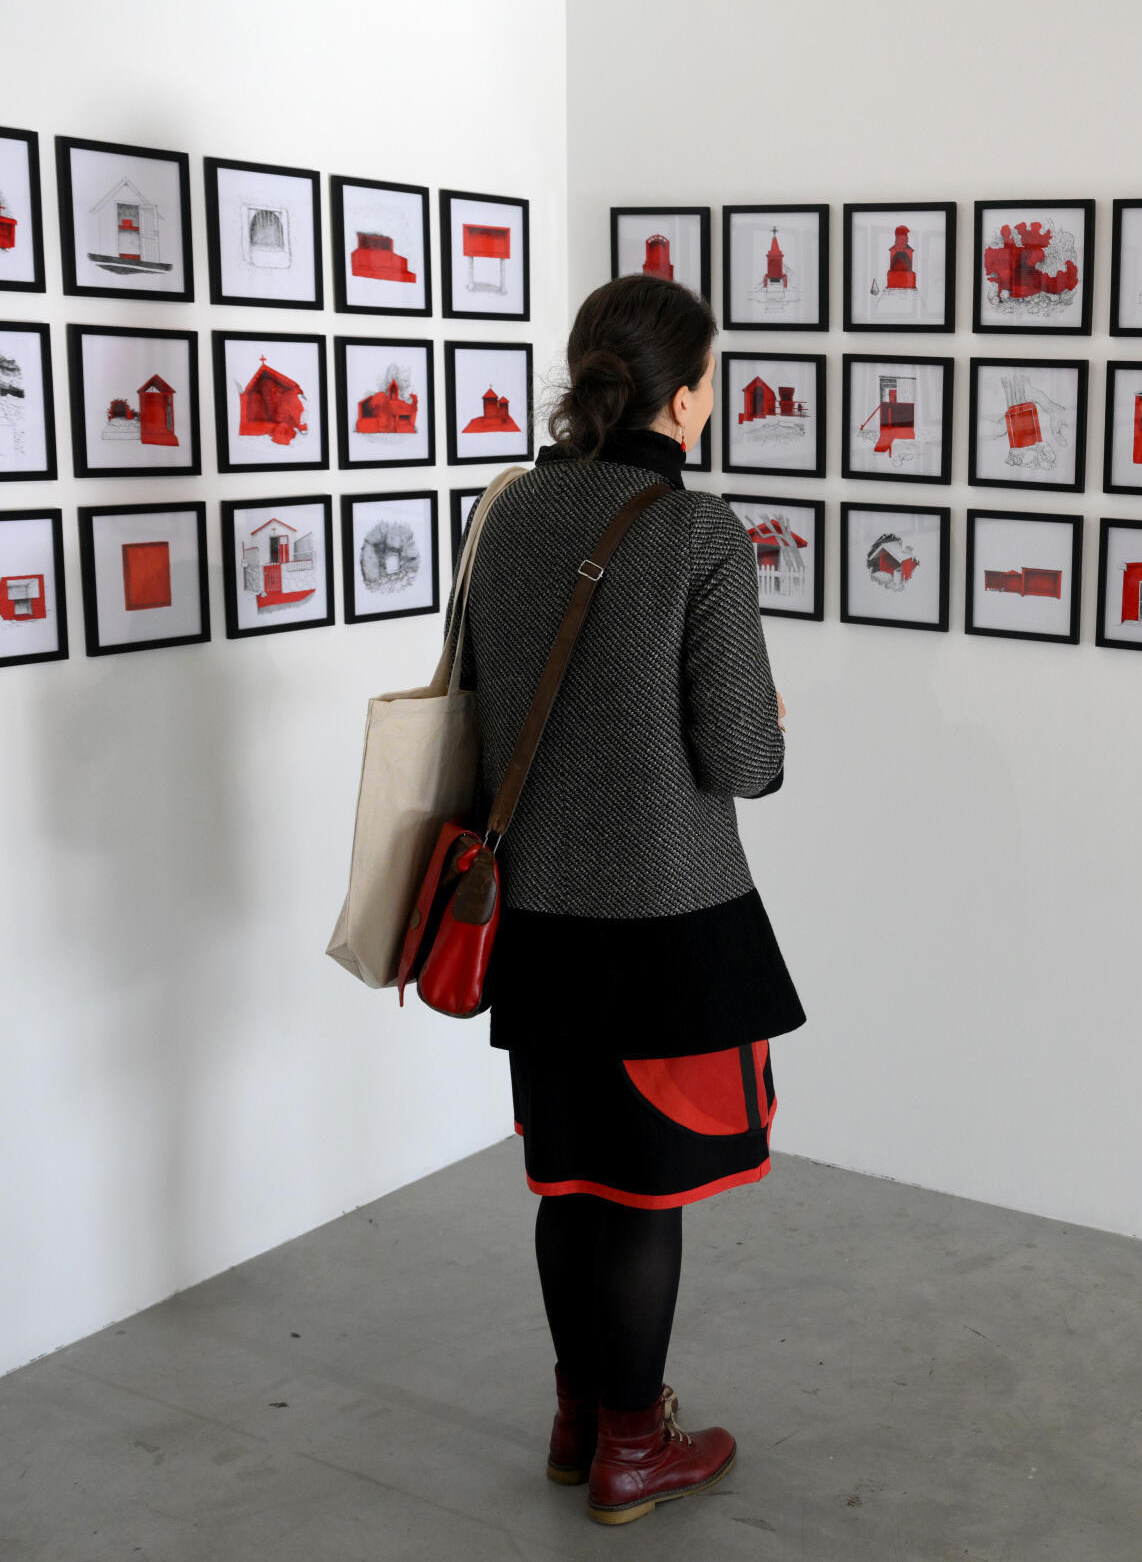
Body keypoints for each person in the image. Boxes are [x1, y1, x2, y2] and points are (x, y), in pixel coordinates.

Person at [459, 274, 802, 1525]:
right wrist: (767, 723)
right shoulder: (698, 531)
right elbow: (741, 764)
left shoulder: (507, 512)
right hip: (666, 923)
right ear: (690, 389)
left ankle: (575, 1418)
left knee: (569, 1182)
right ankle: (632, 1446)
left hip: (535, 914)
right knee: (644, 1193)